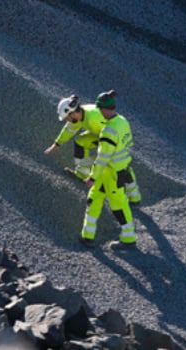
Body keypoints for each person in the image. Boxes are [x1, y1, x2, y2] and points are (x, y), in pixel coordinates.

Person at [80, 90, 137, 249]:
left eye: (99, 109)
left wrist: (92, 177)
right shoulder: (122, 121)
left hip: (111, 173)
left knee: (118, 205)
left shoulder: (108, 131)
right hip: (119, 169)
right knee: (94, 199)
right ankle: (87, 236)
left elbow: (102, 158)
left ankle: (129, 238)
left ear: (104, 109)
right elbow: (128, 142)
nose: (98, 112)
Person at [44, 94, 107, 181]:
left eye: (66, 117)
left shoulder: (92, 118)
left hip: (114, 137)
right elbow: (69, 130)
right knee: (80, 142)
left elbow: (111, 132)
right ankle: (82, 173)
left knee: (105, 160)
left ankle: (104, 182)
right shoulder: (80, 115)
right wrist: (57, 143)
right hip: (100, 133)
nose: (67, 120)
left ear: (72, 113)